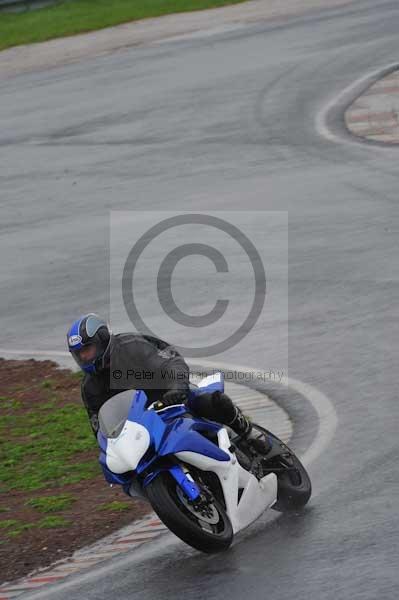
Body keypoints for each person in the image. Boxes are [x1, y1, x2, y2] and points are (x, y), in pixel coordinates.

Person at [66, 313, 270, 454]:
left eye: (88, 350)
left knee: (213, 401)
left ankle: (248, 432)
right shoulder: (89, 388)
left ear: (102, 340)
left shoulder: (132, 346)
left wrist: (177, 387)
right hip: (143, 429)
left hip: (174, 401)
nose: (84, 357)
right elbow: (99, 427)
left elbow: (171, 362)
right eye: (79, 354)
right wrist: (110, 448)